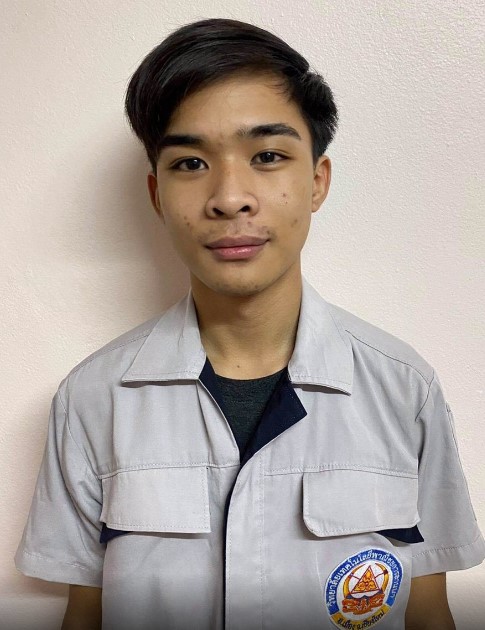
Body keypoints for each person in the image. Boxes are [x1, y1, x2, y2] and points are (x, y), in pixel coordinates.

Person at [15, 17, 484, 630]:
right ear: (156, 195)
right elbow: (84, 615)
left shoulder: (402, 389)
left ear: (316, 181)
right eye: (190, 163)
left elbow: (428, 611)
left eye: (267, 156)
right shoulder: (92, 399)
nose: (229, 197)